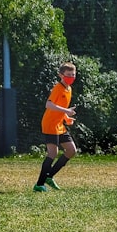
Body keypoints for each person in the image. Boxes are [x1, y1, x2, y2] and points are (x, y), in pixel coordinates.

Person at [34, 62, 78, 192]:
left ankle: (49, 176)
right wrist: (66, 111)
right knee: (53, 153)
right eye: (68, 75)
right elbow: (49, 105)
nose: (71, 77)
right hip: (50, 124)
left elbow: (60, 108)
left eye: (73, 75)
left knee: (71, 150)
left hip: (59, 125)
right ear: (61, 75)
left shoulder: (69, 89)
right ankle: (39, 184)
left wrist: (66, 118)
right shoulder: (58, 88)